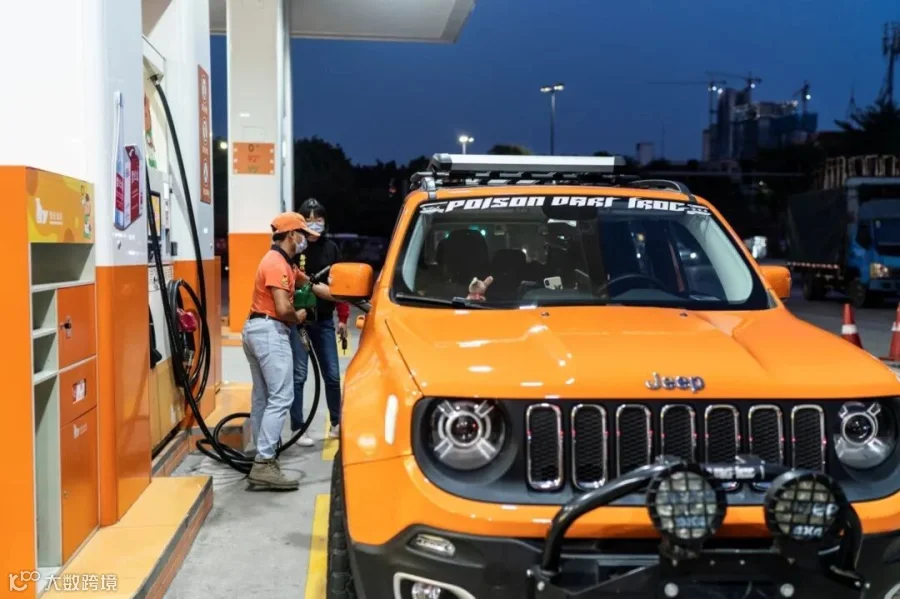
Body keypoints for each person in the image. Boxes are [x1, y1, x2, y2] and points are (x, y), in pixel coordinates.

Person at [242, 211, 319, 490]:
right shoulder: (276, 264)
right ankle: (264, 462)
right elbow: (284, 308)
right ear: (292, 235)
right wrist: (299, 316)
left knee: (263, 398)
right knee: (282, 396)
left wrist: (345, 293)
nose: (305, 241)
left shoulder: (284, 263)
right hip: (270, 332)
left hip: (257, 330)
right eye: (303, 235)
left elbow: (311, 284)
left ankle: (262, 454)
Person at [288, 198, 349, 441]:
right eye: (309, 220)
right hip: (299, 322)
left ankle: (336, 423)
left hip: (323, 322)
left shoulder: (331, 249)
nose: (314, 224)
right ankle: (298, 427)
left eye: (319, 220)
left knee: (332, 376)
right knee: (299, 376)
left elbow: (341, 285)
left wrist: (342, 318)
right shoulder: (295, 248)